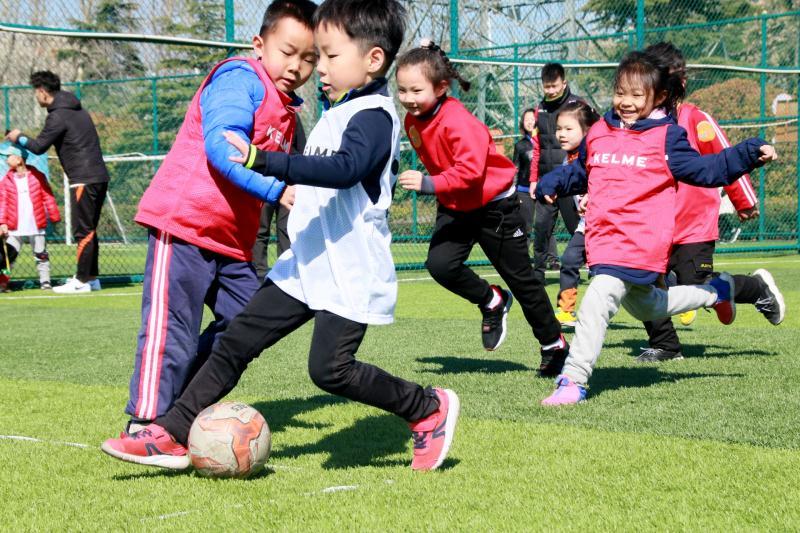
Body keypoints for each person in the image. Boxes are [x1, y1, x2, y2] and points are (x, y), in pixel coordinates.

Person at [102, 0, 459, 473]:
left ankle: (426, 407)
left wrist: (263, 159)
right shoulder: (336, 111)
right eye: (318, 56)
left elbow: (344, 169)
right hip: (305, 265)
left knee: (330, 371)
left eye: (329, 57)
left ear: (373, 60)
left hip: (348, 269)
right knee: (235, 342)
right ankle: (169, 432)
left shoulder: (375, 115)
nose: (318, 68)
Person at [535, 50, 777, 405]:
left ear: (659, 97)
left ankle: (573, 380)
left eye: (636, 95)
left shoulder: (668, 137)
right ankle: (719, 291)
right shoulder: (601, 130)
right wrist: (552, 182)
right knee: (652, 308)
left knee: (597, 297)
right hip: (604, 243)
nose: (626, 102)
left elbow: (708, 171)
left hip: (640, 244)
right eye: (621, 93)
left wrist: (750, 151)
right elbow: (583, 170)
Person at [120, 0, 318, 433]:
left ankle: (182, 405)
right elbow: (224, 149)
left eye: (309, 58)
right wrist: (278, 190)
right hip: (185, 225)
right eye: (288, 51)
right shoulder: (238, 79)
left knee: (250, 321)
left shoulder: (288, 108)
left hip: (231, 242)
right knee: (173, 330)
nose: (297, 65)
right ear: (259, 44)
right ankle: (145, 423)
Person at [396, 41, 568, 376]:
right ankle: (492, 301)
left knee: (523, 281)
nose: (408, 97)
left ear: (441, 87)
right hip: (457, 206)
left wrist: (429, 184)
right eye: (401, 90)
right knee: (440, 265)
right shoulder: (412, 121)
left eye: (416, 89)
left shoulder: (458, 121)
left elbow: (471, 173)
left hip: (495, 207)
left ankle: (554, 346)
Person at [636, 41, 785, 363]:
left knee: (698, 287)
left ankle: (756, 288)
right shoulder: (637, 126)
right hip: (651, 225)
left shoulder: (695, 120)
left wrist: (743, 200)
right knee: (643, 280)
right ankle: (665, 345)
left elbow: (724, 158)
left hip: (693, 225)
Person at [7, 72, 109, 294]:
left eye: (36, 92)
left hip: (83, 178)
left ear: (43, 92)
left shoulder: (58, 116)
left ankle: (81, 281)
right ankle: (91, 278)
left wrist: (18, 136)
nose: (36, 96)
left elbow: (39, 146)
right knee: (89, 230)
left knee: (83, 230)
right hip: (97, 177)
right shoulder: (78, 111)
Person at [531, 63, 585, 281]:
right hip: (546, 181)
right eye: (547, 87)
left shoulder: (578, 105)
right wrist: (534, 180)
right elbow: (536, 147)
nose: (551, 90)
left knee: (578, 229)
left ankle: (596, 266)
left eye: (554, 86)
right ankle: (538, 272)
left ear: (564, 83)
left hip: (572, 180)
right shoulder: (539, 109)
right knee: (541, 228)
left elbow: (593, 139)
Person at [550, 102, 600, 327]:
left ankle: (672, 292)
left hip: (611, 225)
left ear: (587, 130)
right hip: (587, 224)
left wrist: (594, 195)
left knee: (620, 277)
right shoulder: (567, 157)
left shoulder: (597, 154)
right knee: (569, 260)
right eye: (559, 129)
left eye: (568, 129)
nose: (561, 134)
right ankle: (565, 311)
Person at [250, 117, 305, 279]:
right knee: (259, 231)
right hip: (263, 180)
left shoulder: (292, 116)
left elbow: (302, 150)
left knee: (288, 230)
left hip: (289, 182)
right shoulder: (259, 113)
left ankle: (287, 277)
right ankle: (258, 279)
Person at [0, 145, 61, 291]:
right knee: (9, 257)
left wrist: (54, 215)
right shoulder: (6, 180)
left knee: (41, 254)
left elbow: (48, 196)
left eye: (9, 156)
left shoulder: (37, 176)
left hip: (35, 224)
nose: (6, 159)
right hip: (14, 226)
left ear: (19, 159)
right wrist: (2, 222)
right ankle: (3, 282)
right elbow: (3, 202)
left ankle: (45, 282)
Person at [512, 108, 557, 260]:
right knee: (526, 225)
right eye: (527, 120)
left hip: (544, 189)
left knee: (546, 224)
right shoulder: (520, 146)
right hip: (524, 190)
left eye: (533, 118)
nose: (530, 122)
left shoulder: (548, 142)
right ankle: (522, 258)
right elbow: (515, 169)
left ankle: (552, 258)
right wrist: (514, 192)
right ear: (523, 124)